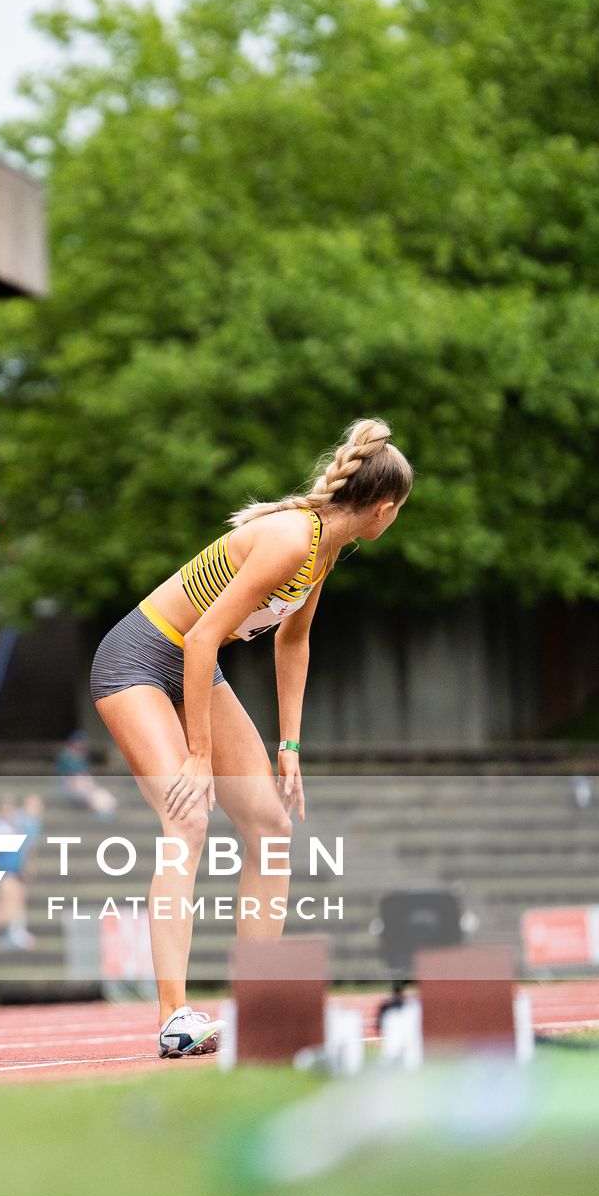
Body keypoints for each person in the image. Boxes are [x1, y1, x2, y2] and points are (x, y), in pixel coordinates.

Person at [91, 418, 411, 1059]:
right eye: (400, 510)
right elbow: (201, 636)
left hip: (191, 666)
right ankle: (174, 1016)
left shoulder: (323, 549)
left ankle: (262, 1002)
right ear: (383, 508)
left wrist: (289, 747)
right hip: (141, 659)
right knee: (187, 818)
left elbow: (294, 641)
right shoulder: (294, 538)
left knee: (270, 825)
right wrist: (200, 756)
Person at [0, 794, 44, 950]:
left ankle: (16, 934)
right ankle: (13, 935)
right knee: (9, 902)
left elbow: (28, 847)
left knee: (18, 900)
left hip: (15, 868)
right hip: (6, 869)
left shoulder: (27, 823)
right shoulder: (1, 824)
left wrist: (27, 864)